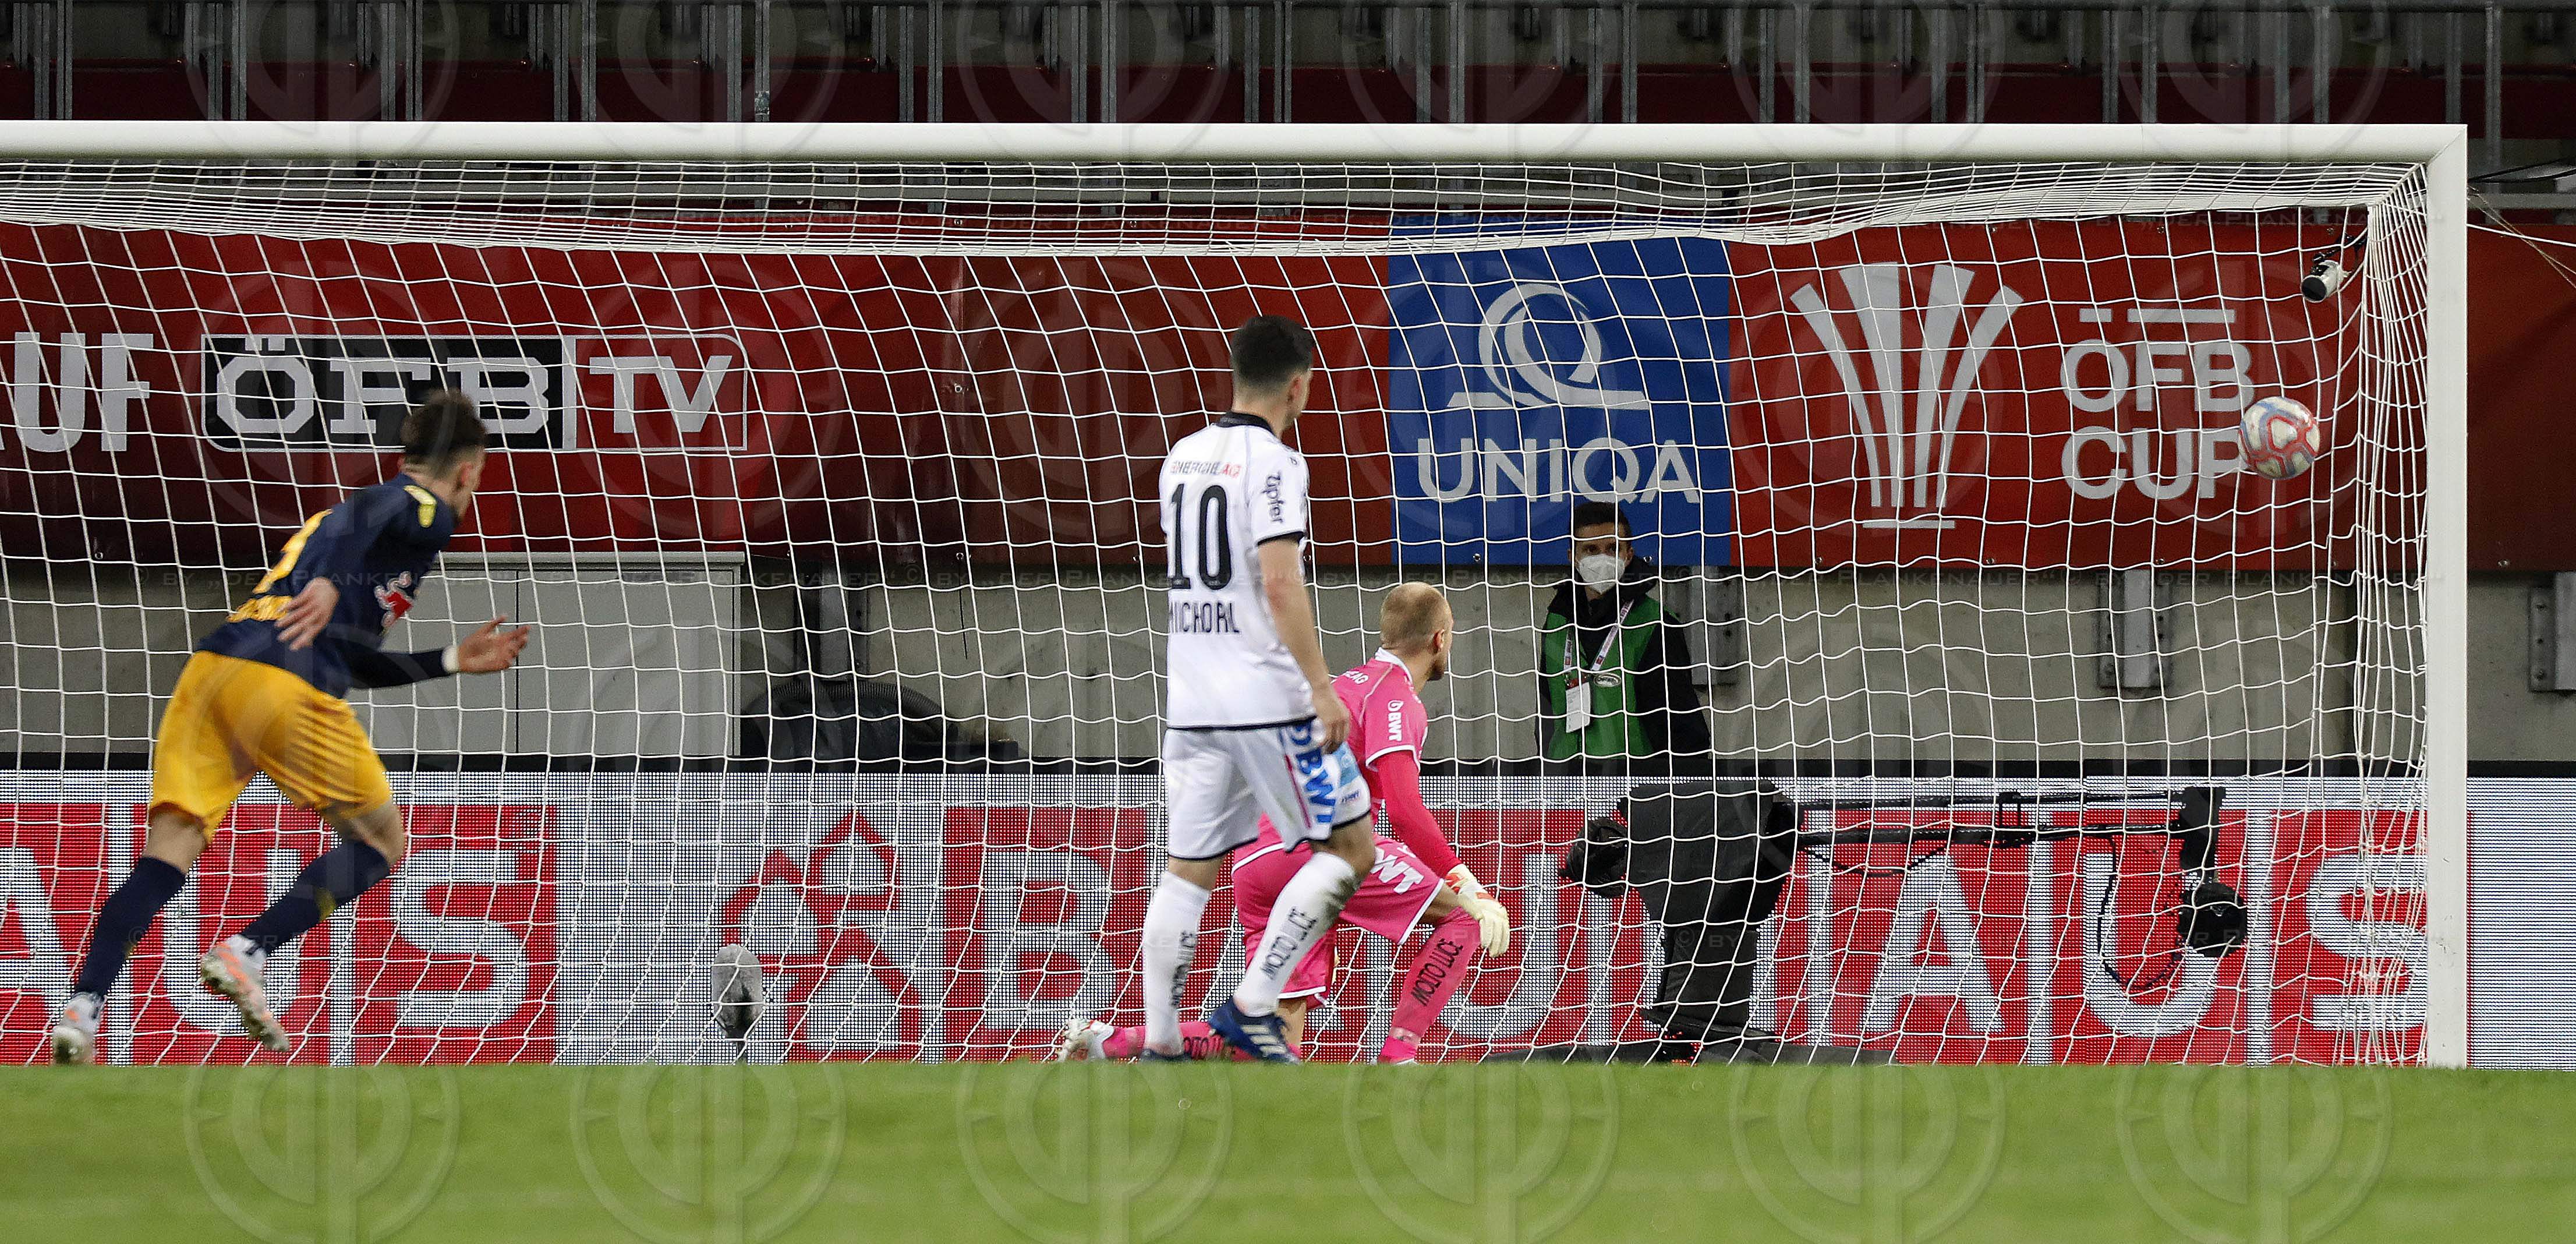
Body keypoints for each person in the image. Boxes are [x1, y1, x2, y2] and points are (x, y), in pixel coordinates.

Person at [48, 391, 530, 1065]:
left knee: (167, 854)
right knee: (382, 841)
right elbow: (375, 509)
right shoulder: (420, 508)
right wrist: (332, 579)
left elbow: (352, 659)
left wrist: (450, 660)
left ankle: (81, 1011)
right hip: (281, 681)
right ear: (471, 471)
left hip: (215, 673)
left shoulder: (350, 533)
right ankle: (247, 951)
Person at [1059, 583, 1510, 1063]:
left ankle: (1110, 1041)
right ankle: (1399, 1056)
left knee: (1272, 1033)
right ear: (1440, 640)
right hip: (1320, 850)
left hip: (1255, 858)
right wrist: (1468, 885)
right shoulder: (1395, 698)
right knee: (1463, 917)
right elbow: (1404, 808)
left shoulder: (1343, 685)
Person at [1138, 314, 1373, 1063]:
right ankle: (1252, 1001)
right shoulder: (1276, 464)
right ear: (1299, 385)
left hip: (1192, 702)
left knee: (1187, 872)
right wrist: (1320, 687)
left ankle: (1163, 1041)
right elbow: (1278, 581)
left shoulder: (1182, 458)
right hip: (1268, 700)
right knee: (1351, 849)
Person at [1537, 501, 1711, 772]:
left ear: (1628, 555)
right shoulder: (1557, 619)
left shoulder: (1656, 624)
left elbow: (1683, 730)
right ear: (1574, 556)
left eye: (1612, 549)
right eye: (1591, 550)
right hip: (1565, 788)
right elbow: (1547, 709)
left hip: (1634, 791)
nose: (1602, 558)